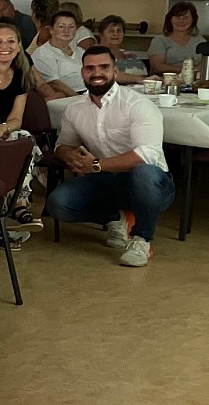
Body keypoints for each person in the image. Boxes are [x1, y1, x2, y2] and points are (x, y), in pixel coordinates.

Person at [45, 46, 174, 267]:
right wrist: (69, 156)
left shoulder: (137, 104)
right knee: (58, 204)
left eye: (104, 67)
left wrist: (95, 164)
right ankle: (118, 218)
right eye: (90, 68)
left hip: (151, 184)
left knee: (144, 173)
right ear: (83, 72)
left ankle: (142, 239)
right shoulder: (75, 108)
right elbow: (63, 144)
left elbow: (147, 154)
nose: (97, 73)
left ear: (115, 71)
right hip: (106, 179)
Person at [0, 24, 44, 238]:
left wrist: (3, 128)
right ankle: (3, 212)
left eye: (11, 41)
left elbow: (16, 118)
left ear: (19, 47)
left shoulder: (20, 76)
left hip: (3, 130)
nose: (4, 46)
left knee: (24, 141)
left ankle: (18, 203)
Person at [31, 11, 85, 97]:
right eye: (61, 26)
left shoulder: (80, 51)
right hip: (67, 97)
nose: (66, 31)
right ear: (51, 30)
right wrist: (79, 98)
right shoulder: (43, 53)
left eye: (71, 27)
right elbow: (54, 83)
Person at [147, 2, 205, 74]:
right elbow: (158, 66)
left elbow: (204, 65)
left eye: (186, 17)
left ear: (193, 20)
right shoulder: (159, 40)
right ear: (170, 19)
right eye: (177, 17)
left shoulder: (200, 40)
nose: (181, 21)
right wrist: (187, 71)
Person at [97, 15, 151, 84]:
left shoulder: (129, 55)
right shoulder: (96, 54)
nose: (116, 34)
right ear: (101, 34)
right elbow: (113, 74)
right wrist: (141, 79)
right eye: (111, 31)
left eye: (119, 30)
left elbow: (144, 73)